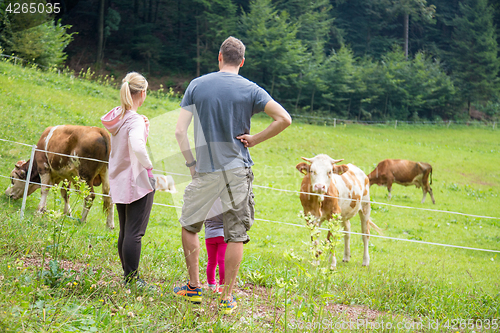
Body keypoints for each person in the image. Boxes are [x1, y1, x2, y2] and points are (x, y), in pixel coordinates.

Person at [173, 36, 291, 314]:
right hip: (237, 171)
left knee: (190, 226)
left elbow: (179, 131)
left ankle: (193, 287)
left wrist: (191, 163)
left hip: (205, 169)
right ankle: (227, 297)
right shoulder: (252, 90)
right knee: (235, 235)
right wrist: (255, 139)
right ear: (242, 61)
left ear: (219, 57)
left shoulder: (197, 85)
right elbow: (284, 118)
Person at [101, 72, 156, 287]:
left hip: (120, 178)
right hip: (138, 180)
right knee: (135, 233)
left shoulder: (119, 117)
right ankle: (132, 280)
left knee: (125, 230)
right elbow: (137, 145)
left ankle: (128, 275)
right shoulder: (134, 120)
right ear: (142, 93)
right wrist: (149, 165)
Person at [204, 198, 226, 293]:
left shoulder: (208, 201)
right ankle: (222, 286)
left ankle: (211, 285)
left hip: (209, 236)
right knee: (222, 262)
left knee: (211, 262)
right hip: (222, 235)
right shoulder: (224, 201)